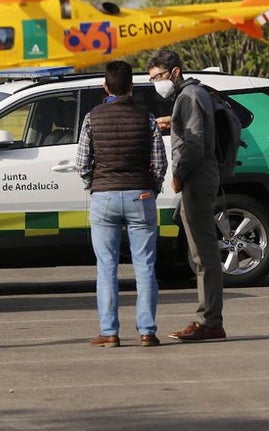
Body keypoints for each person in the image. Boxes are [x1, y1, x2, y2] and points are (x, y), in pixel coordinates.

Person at [75, 60, 167, 347]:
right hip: (140, 196)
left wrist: (95, 184)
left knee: (106, 267)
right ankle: (147, 331)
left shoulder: (92, 117)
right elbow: (160, 162)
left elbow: (81, 163)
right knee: (145, 266)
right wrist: (152, 187)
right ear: (131, 87)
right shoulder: (146, 117)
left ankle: (110, 331)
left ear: (105, 87)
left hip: (104, 197)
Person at [147, 48, 226, 342]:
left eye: (159, 77)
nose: (157, 83)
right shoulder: (191, 95)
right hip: (201, 176)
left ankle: (210, 321)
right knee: (200, 252)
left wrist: (177, 176)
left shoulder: (190, 96)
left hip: (197, 177)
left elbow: (193, 145)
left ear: (175, 72)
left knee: (203, 253)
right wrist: (174, 120)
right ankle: (209, 318)